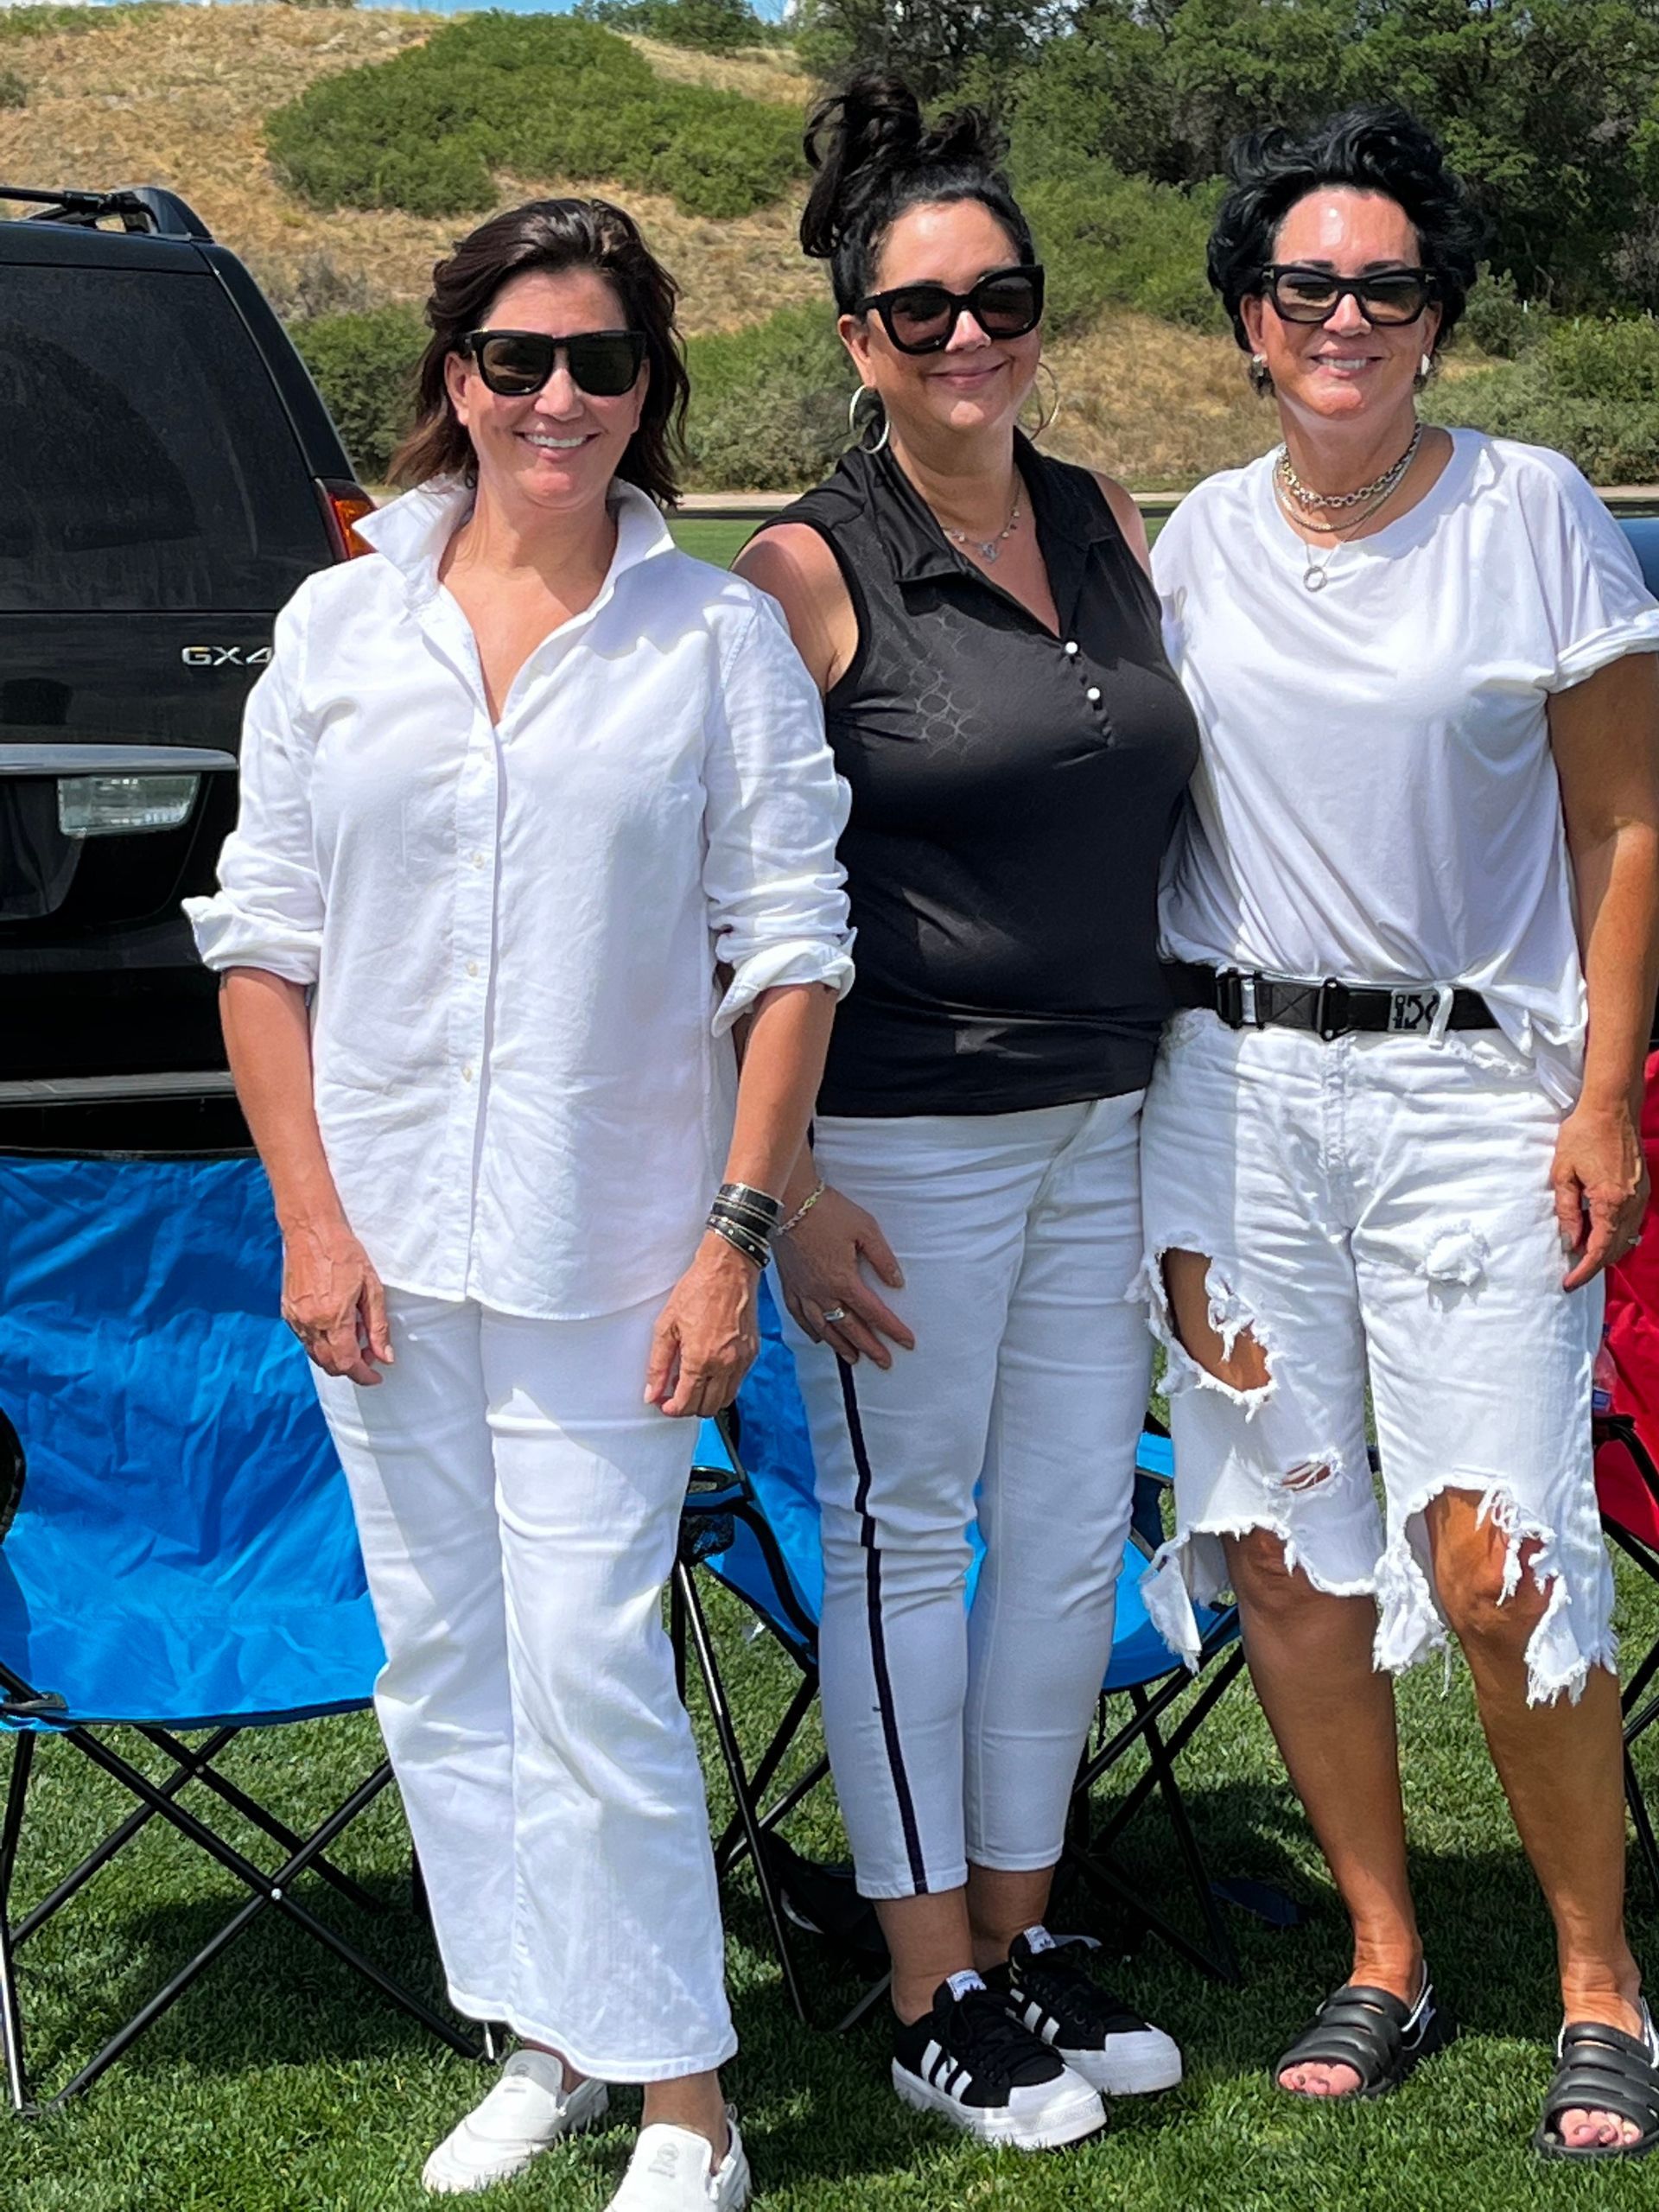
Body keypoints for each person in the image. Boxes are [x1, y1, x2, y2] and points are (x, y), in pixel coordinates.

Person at [186, 196, 853, 2210]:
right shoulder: (334, 625)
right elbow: (262, 940)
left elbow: (794, 950)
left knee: (585, 1651)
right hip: (377, 1246)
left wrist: (736, 1238)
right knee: (441, 1659)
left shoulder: (717, 635)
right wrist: (309, 1215)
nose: (554, 398)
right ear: (450, 375)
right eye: (514, 359)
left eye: (599, 363)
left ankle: (687, 2099)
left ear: (649, 391)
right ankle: (546, 2030)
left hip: (620, 1252)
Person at [1141, 105, 1659, 2160]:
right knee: (1288, 1549)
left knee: (1502, 1546)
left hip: (1472, 1092)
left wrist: (1607, 1090)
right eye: (1304, 286)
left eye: (1385, 285)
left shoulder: (1533, 510)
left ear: (1433, 319)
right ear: (1251, 324)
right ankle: (1383, 1948)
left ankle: (1598, 1974)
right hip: (1236, 1097)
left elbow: (1628, 818)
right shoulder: (1194, 535)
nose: (1343, 316)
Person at [734, 76, 1197, 2152]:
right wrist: (790, 1181)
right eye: (920, 312)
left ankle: (1014, 1934)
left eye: (998, 297)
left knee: (1067, 1536)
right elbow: (719, 905)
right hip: (902, 1141)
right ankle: (927, 1982)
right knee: (909, 1546)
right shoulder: (807, 569)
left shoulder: (1102, 514)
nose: (967, 338)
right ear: (857, 341)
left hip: (1113, 1115)